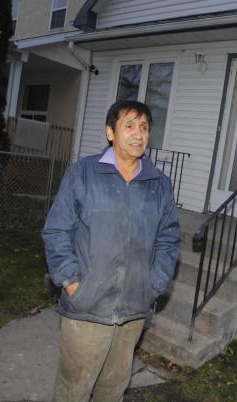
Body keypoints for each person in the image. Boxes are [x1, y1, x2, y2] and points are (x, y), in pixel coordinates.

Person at [42, 100, 181, 402]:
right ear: (110, 132)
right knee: (73, 390)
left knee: (113, 388)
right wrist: (72, 283)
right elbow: (56, 230)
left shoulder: (159, 185)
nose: (138, 134)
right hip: (87, 308)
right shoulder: (83, 174)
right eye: (129, 125)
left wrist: (153, 285)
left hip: (133, 310)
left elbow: (168, 240)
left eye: (144, 127)